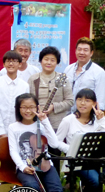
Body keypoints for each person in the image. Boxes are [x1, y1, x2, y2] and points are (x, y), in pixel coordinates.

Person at [8, 93, 68, 192]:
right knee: (33, 188)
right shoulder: (13, 127)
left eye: (31, 107)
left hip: (46, 164)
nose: (28, 111)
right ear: (18, 109)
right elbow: (13, 151)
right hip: (26, 166)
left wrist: (45, 120)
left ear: (37, 108)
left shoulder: (42, 124)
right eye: (24, 107)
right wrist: (22, 167)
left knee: (56, 190)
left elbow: (54, 144)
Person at [0, 51, 30, 181]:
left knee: (12, 156)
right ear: (4, 64)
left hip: (15, 128)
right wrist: (1, 132)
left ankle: (11, 180)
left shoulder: (24, 85)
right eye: (8, 61)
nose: (11, 63)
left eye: (14, 61)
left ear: (20, 64)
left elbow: (25, 108)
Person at [28, 46, 73, 174]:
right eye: (46, 59)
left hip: (57, 124)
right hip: (37, 124)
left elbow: (70, 101)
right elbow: (28, 100)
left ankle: (56, 180)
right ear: (40, 61)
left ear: (57, 63)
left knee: (55, 153)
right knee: (37, 153)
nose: (48, 62)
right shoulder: (33, 79)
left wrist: (54, 107)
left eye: (52, 60)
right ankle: (38, 178)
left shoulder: (62, 78)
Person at [64, 37, 105, 112]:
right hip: (67, 115)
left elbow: (100, 101)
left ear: (91, 53)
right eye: (79, 49)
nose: (81, 52)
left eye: (85, 50)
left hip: (86, 117)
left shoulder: (99, 72)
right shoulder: (68, 69)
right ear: (75, 51)